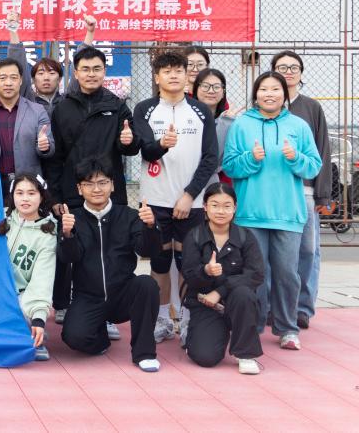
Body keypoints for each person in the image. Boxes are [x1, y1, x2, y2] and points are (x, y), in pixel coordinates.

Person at [222, 71, 322, 350]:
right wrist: (250, 158)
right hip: (251, 213)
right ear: (256, 94)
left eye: (275, 89)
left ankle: (287, 328)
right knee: (255, 274)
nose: (269, 94)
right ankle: (252, 326)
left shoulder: (299, 126)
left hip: (288, 214)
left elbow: (313, 166)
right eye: (263, 89)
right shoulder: (242, 125)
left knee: (287, 274)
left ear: (284, 94)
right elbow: (229, 166)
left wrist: (296, 158)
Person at [132, 51, 218, 347]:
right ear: (157, 77)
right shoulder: (144, 109)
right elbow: (145, 150)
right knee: (158, 263)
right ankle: (162, 320)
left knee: (187, 264)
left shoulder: (201, 111)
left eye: (178, 70)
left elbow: (210, 158)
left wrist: (190, 195)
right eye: (166, 71)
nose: (173, 75)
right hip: (155, 201)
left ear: (186, 75)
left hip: (190, 203)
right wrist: (162, 144)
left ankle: (186, 320)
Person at [58, 157, 162, 372]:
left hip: (123, 293)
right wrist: (67, 235)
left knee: (147, 284)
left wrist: (151, 227)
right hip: (88, 296)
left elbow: (147, 251)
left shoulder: (130, 215)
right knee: (73, 337)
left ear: (113, 185)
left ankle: (144, 353)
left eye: (103, 182)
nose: (97, 189)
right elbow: (69, 257)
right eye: (89, 184)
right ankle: (101, 338)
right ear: (79, 189)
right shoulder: (72, 219)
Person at [270, 50, 333, 330]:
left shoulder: (311, 108)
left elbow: (322, 150)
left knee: (307, 251)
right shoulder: (264, 105)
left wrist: (322, 193)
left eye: (293, 67)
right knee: (272, 252)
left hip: (304, 191)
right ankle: (272, 306)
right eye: (282, 67)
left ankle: (303, 308)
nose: (288, 72)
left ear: (301, 73)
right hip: (271, 191)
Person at [181, 183, 264, 375]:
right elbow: (189, 275)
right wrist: (206, 271)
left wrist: (220, 291)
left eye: (227, 206)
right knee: (205, 357)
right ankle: (202, 334)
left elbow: (256, 274)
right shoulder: (194, 236)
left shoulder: (245, 236)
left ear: (235, 208)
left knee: (244, 294)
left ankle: (245, 354)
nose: (221, 211)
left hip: (237, 302)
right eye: (215, 205)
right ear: (205, 206)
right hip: (206, 304)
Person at [44, 46, 140, 210]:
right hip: (73, 193)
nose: (91, 74)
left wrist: (128, 141)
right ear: (76, 73)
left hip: (110, 192)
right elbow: (55, 159)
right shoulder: (62, 108)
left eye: (96, 69)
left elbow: (132, 149)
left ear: (104, 71)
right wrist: (55, 198)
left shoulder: (118, 106)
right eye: (85, 69)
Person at [0, 174, 57, 361]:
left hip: (20, 296)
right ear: (12, 195)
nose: (25, 198)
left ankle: (32, 331)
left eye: (31, 193)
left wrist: (38, 318)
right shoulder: (0, 217)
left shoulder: (48, 233)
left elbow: (42, 278)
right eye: (19, 193)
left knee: (20, 312)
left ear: (41, 196)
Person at [0, 57, 54, 201]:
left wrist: (44, 146)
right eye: (3, 78)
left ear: (20, 81)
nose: (8, 83)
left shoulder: (38, 111)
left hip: (28, 185)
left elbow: (49, 148)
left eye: (13, 77)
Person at [5, 12, 96, 108]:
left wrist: (90, 33)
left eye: (52, 73)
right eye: (41, 73)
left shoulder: (69, 101)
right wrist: (13, 29)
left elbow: (81, 68)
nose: (46, 78)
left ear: (59, 79)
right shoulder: (27, 102)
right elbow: (17, 66)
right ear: (33, 80)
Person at [193, 68, 236, 185]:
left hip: (220, 184)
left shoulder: (230, 121)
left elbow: (216, 158)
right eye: (205, 86)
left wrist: (226, 123)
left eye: (216, 87)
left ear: (223, 92)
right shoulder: (187, 117)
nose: (211, 91)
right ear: (196, 89)